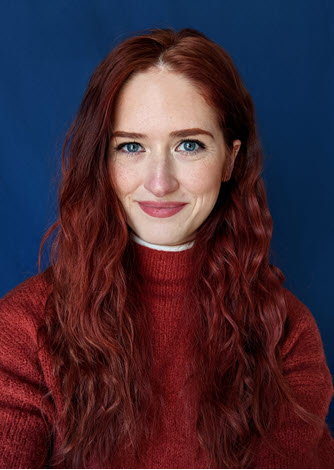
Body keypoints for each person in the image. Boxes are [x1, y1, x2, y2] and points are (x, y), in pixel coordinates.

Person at [0, 26, 333, 469]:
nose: (160, 181)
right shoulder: (24, 330)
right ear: (102, 160)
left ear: (231, 159)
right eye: (131, 146)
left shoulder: (286, 334)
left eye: (189, 145)